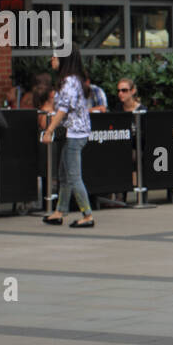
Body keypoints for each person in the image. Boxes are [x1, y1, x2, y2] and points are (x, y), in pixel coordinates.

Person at [41, 49, 96, 229]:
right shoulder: (73, 80)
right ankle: (59, 212)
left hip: (75, 133)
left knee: (73, 176)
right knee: (64, 174)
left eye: (55, 56)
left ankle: (87, 215)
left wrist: (49, 130)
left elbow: (63, 109)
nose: (52, 59)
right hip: (76, 132)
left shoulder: (69, 82)